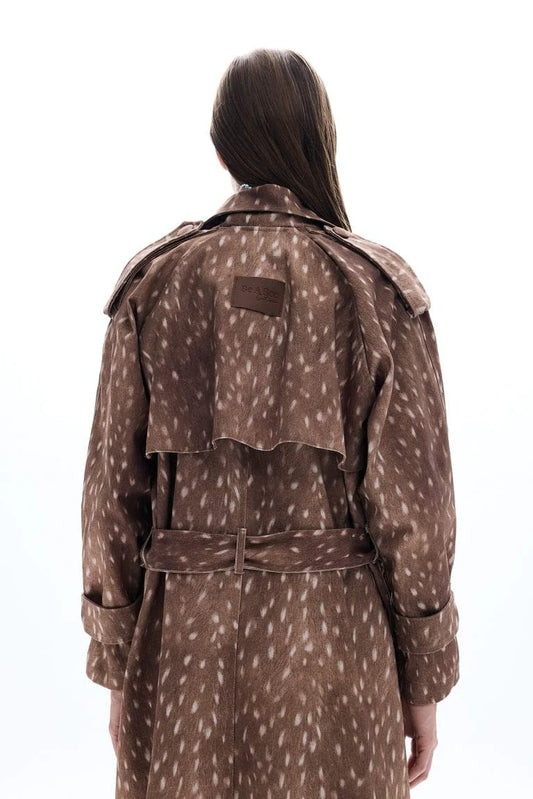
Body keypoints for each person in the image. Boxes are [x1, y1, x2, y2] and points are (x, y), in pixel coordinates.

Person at [80, 48, 460, 798]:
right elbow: (416, 511)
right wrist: (424, 678)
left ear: (222, 148)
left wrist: (117, 665)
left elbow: (109, 500)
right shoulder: (376, 290)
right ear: (320, 140)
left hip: (182, 652)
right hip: (334, 651)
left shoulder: (154, 284)